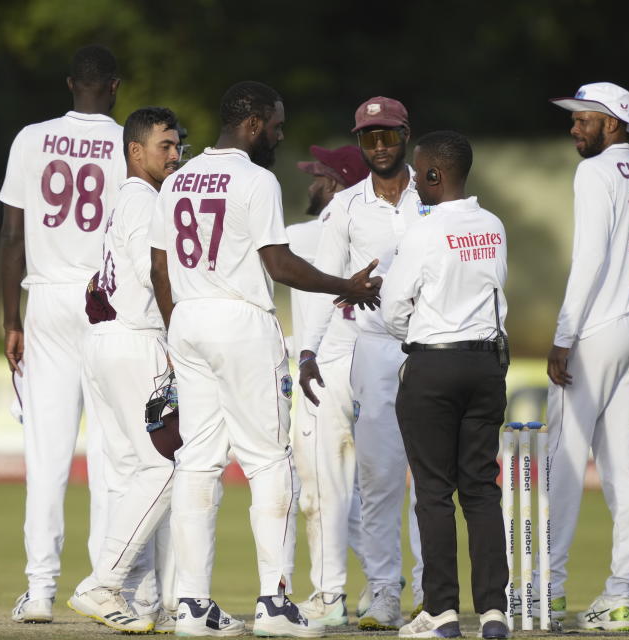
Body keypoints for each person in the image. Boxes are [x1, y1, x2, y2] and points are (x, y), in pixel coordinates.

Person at [149, 80, 383, 638]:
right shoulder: (255, 179)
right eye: (276, 125)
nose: (279, 134)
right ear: (252, 123)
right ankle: (274, 605)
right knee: (268, 462)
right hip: (240, 320)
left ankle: (191, 606)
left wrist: (177, 330)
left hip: (187, 319)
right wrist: (342, 285)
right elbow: (279, 265)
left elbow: (159, 269)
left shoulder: (178, 179)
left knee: (198, 463)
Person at [0, 44, 127, 624]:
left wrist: (10, 318)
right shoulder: (131, 145)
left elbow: (10, 236)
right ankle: (104, 583)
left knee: (46, 454)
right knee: (107, 453)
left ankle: (41, 590)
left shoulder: (31, 138)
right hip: (106, 301)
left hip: (45, 298)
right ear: (115, 87)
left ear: (71, 83)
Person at [299, 97, 424, 630]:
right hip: (372, 351)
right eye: (368, 137)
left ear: (404, 135)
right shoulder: (346, 206)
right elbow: (325, 280)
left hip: (432, 346)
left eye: (387, 135)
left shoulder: (434, 192)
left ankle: (430, 590)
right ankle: (383, 592)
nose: (378, 146)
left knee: (433, 482)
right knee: (378, 478)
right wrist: (307, 350)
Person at [382, 131, 511, 639]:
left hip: (434, 364)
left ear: (435, 175)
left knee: (434, 493)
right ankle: (495, 613)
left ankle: (443, 615)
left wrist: (417, 335)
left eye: (418, 173)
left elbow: (394, 307)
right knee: (480, 489)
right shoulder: (494, 226)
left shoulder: (425, 231)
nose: (413, 179)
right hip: (486, 365)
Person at [546, 82, 629, 631]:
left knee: (564, 460)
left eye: (584, 120)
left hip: (596, 330)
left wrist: (564, 335)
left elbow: (589, 257)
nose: (575, 128)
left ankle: (550, 588)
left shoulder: (595, 173)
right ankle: (619, 595)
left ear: (611, 123)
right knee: (628, 466)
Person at [65, 107, 182, 633]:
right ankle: (102, 584)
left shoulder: (126, 199)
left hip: (106, 339)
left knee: (134, 474)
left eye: (177, 145)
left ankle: (143, 599)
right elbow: (151, 270)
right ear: (136, 151)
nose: (175, 155)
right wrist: (181, 332)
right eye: (165, 146)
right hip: (137, 340)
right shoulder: (146, 200)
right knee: (164, 470)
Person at [286, 145, 370, 626]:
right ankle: (382, 582)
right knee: (356, 492)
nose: (311, 184)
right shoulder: (370, 231)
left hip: (321, 370)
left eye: (318, 176)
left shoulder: (301, 234)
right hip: (363, 364)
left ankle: (328, 595)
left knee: (320, 491)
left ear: (336, 185)